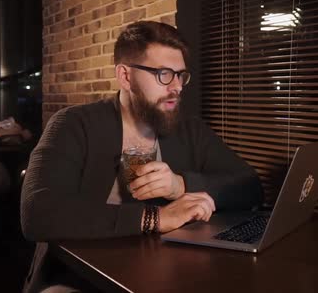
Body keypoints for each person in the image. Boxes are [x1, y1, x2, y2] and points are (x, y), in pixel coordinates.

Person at [20, 21, 263, 292]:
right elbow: (36, 213)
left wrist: (180, 185)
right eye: (163, 74)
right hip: (76, 276)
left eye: (181, 75)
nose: (177, 87)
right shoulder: (73, 124)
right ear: (125, 76)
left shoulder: (189, 130)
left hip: (161, 271)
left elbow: (250, 186)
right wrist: (156, 218)